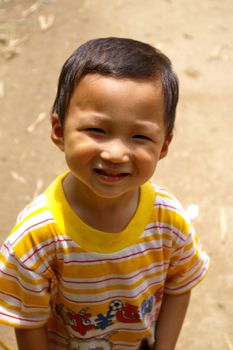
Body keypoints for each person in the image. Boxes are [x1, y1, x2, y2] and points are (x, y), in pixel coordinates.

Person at [0, 37, 209, 350]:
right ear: (59, 131)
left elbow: (181, 282)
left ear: (163, 146)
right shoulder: (37, 238)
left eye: (140, 136)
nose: (115, 153)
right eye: (97, 130)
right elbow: (29, 321)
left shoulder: (169, 220)